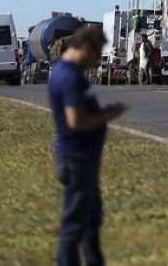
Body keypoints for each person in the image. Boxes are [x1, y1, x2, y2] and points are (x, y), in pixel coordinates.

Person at [48, 26, 126, 266]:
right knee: (74, 225)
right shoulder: (70, 77)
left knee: (91, 220)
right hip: (77, 158)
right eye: (95, 55)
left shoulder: (63, 71)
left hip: (80, 158)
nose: (95, 62)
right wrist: (107, 115)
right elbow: (76, 121)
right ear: (84, 47)